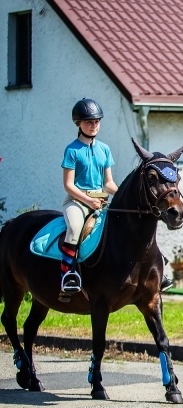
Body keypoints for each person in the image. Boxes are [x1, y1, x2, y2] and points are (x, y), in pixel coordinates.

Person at [59, 98, 118, 299]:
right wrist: (88, 201)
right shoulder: (72, 150)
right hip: (76, 201)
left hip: (100, 201)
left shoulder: (104, 149)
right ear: (79, 123)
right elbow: (68, 184)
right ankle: (67, 275)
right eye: (89, 122)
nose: (93, 126)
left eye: (96, 121)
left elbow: (108, 183)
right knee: (75, 228)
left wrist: (123, 195)